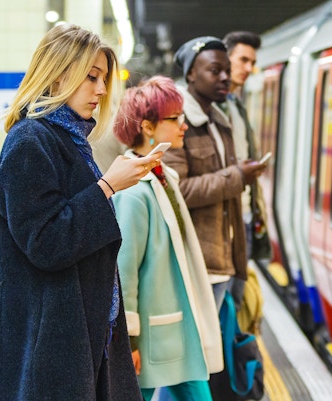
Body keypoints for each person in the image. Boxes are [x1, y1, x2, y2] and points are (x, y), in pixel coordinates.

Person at [0, 24, 161, 401]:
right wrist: (108, 186)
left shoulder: (67, 139)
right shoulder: (29, 142)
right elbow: (46, 243)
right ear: (60, 73)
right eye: (92, 77)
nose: (100, 90)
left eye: (103, 79)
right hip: (48, 343)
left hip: (78, 332)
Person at [111, 75, 223, 401]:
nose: (183, 125)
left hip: (171, 327)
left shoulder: (162, 175)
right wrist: (129, 340)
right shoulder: (134, 193)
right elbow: (124, 269)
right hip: (152, 334)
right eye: (174, 119)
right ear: (147, 127)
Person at [163, 36, 265, 311]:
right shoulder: (177, 122)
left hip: (225, 258)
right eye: (214, 70)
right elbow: (176, 191)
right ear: (191, 74)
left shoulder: (219, 122)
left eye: (226, 71)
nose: (225, 78)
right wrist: (238, 177)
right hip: (198, 265)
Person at [222, 31, 270, 311]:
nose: (249, 69)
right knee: (227, 304)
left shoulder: (236, 106)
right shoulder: (211, 109)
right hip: (227, 221)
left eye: (252, 62)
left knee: (236, 302)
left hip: (245, 215)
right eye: (243, 60)